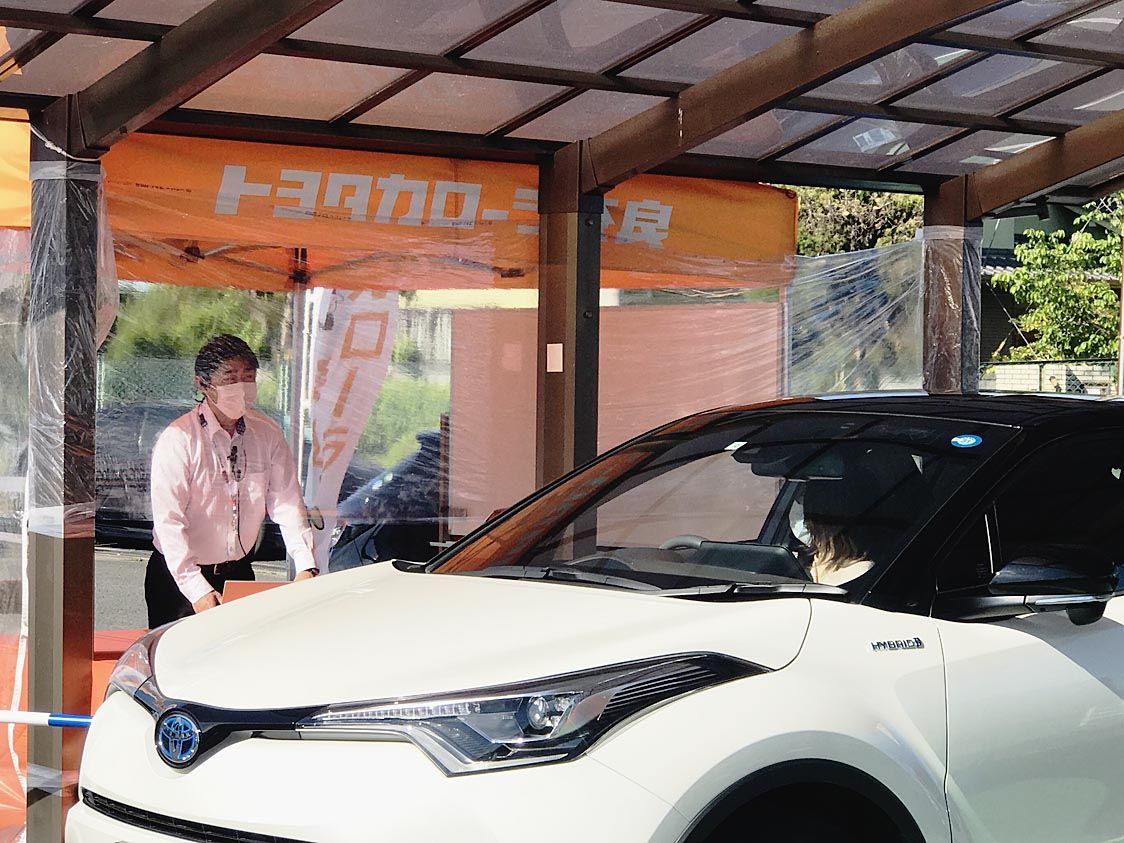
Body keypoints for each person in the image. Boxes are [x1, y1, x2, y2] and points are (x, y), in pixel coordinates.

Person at [145, 335, 317, 627]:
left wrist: (305, 565)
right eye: (230, 377)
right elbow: (169, 523)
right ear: (202, 384)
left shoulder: (266, 434)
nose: (241, 386)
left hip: (238, 574)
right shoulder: (179, 439)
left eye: (248, 377)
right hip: (179, 580)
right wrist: (197, 590)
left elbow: (287, 503)